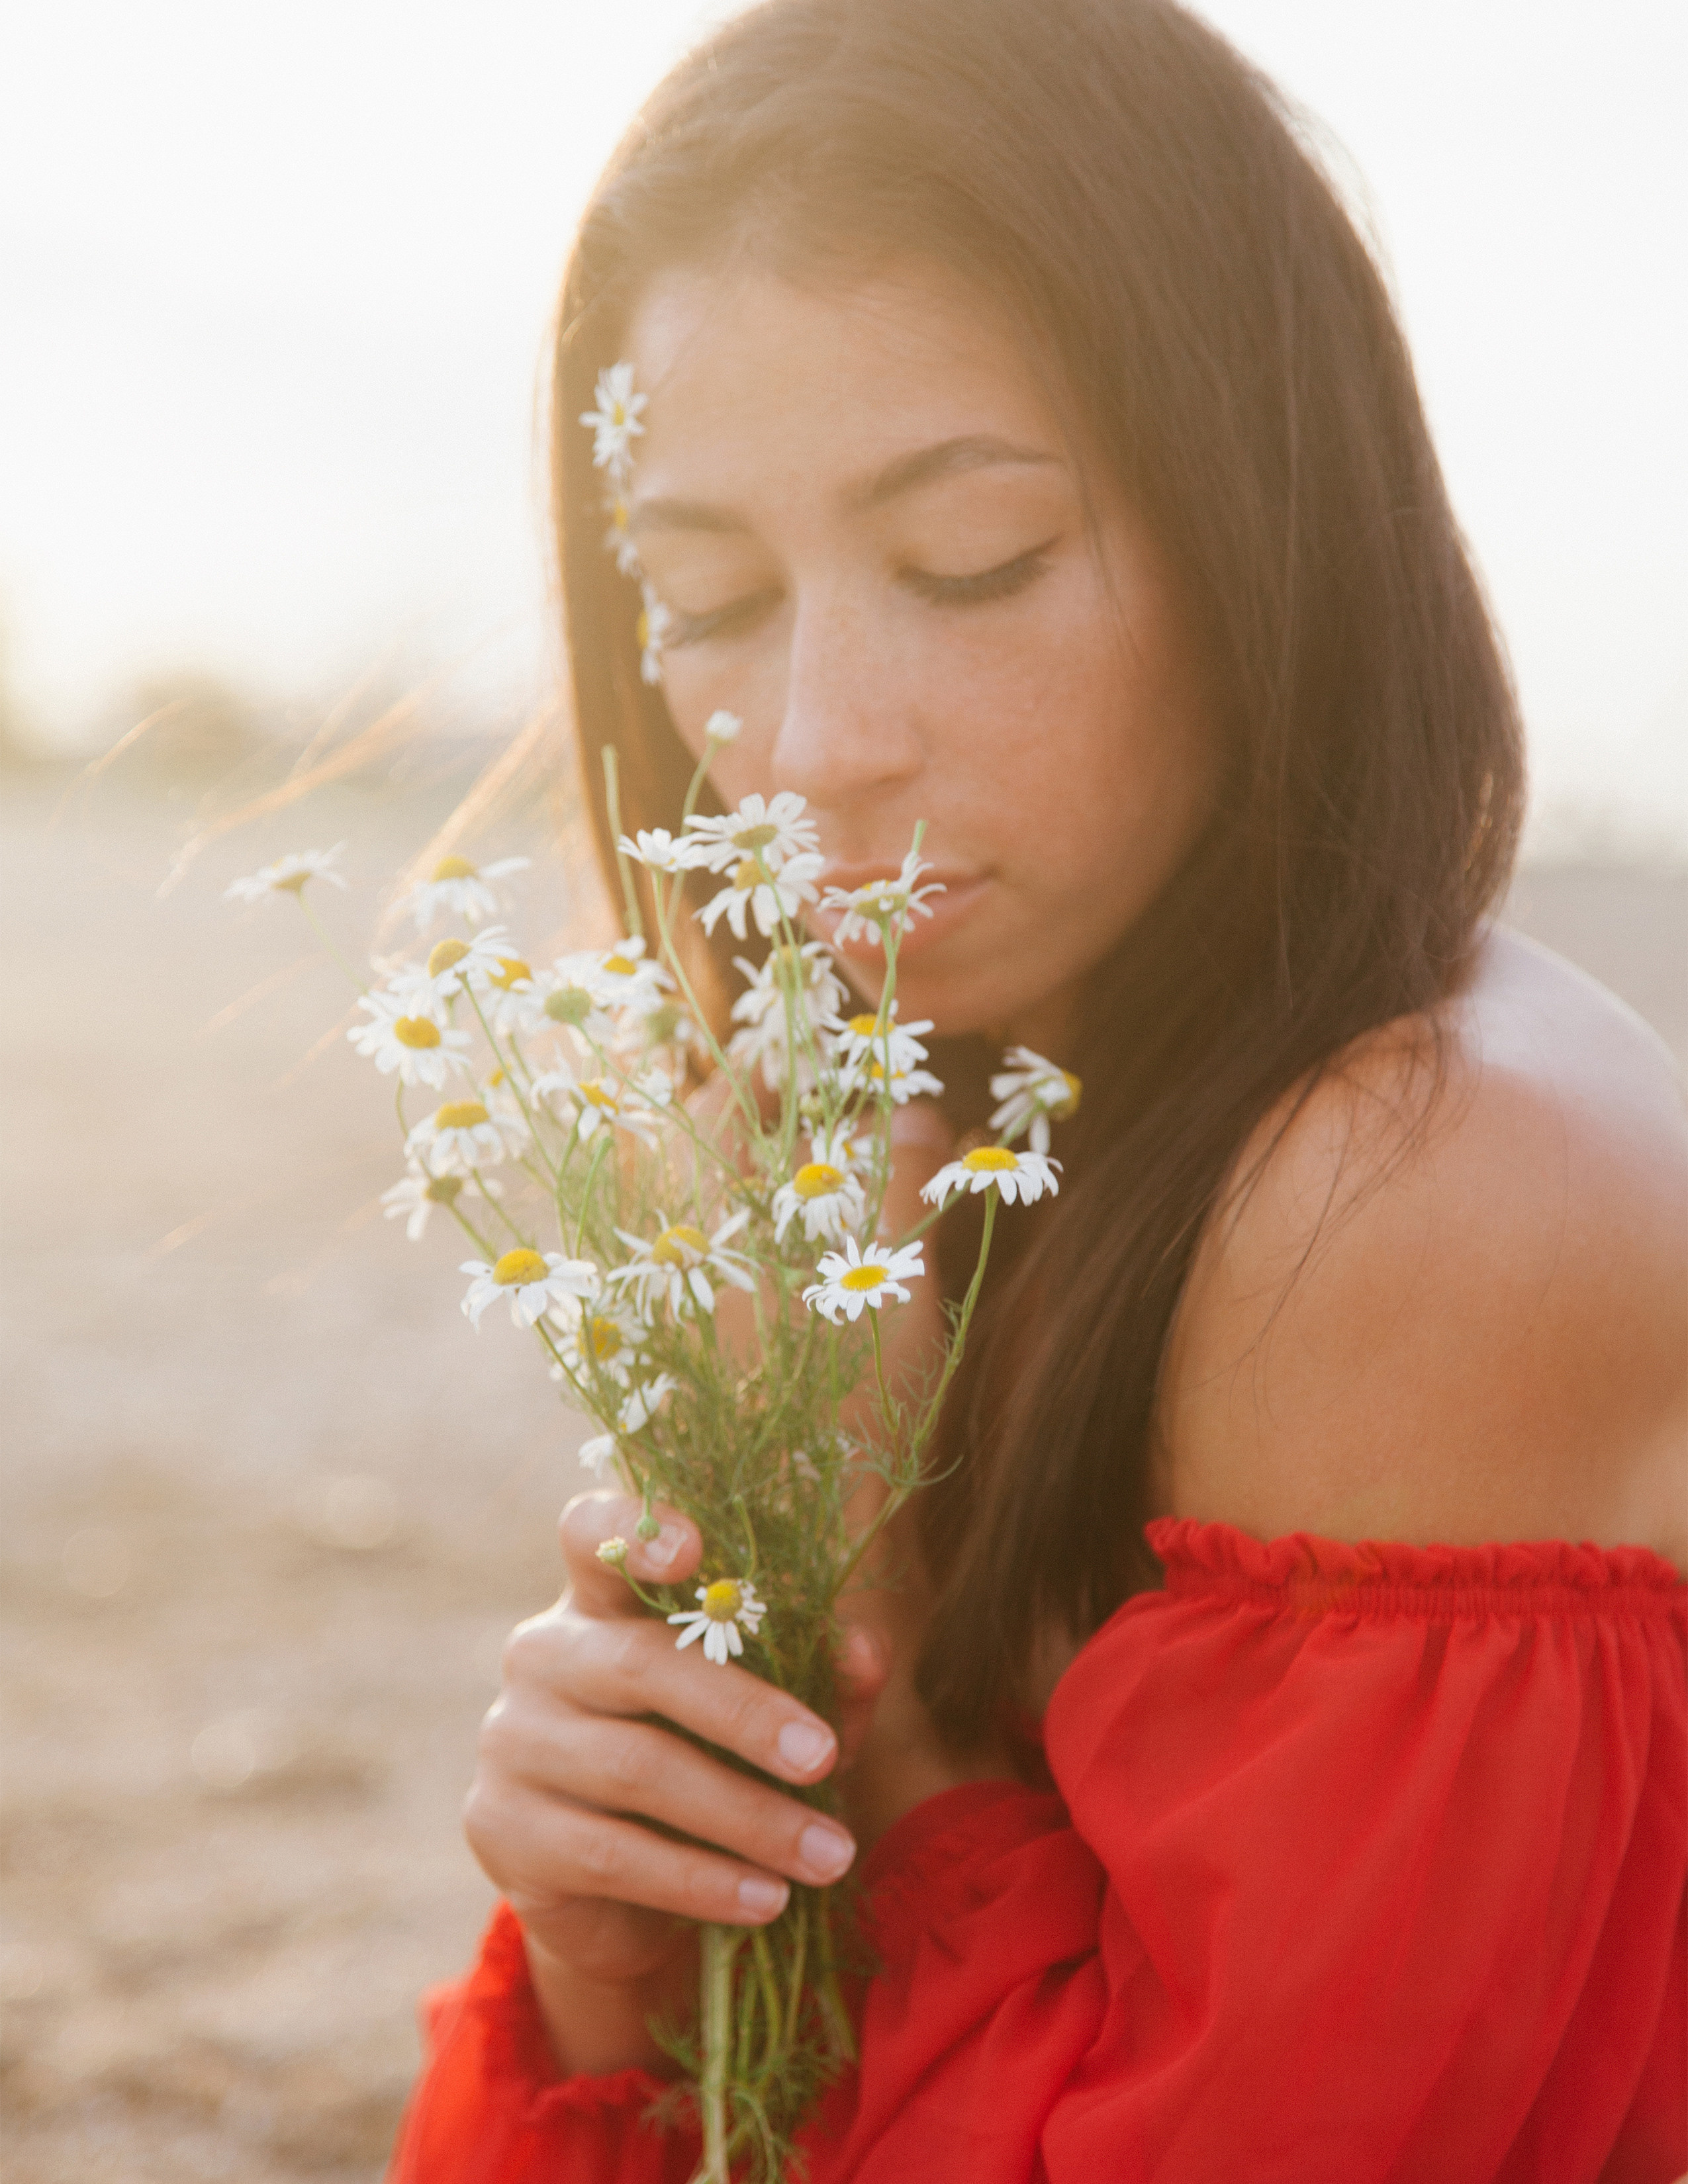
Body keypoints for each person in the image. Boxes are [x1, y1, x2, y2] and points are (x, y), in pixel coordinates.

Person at [387, 0, 1686, 2175]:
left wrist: (874, 1718)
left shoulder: (1413, 1181)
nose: (807, 748)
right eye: (705, 595)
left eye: (971, 562)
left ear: (1259, 525)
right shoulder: (961, 1145)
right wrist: (620, 1932)